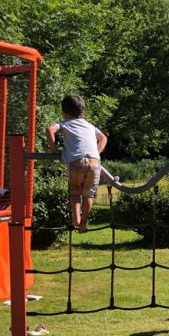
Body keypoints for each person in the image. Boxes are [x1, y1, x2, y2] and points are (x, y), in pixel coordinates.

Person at [45, 94, 108, 233]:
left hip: (77, 161)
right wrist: (96, 153)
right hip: (95, 162)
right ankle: (83, 224)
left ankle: (76, 220)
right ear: (82, 112)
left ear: (64, 113)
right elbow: (103, 138)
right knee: (89, 194)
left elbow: (49, 129)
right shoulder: (90, 126)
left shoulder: (65, 123)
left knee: (74, 192)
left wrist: (54, 149)